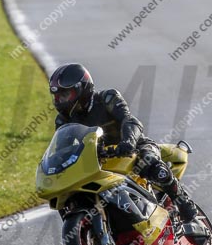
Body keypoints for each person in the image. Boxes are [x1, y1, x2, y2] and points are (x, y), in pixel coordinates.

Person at [49, 63, 198, 222]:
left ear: (82, 88)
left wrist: (128, 141)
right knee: (67, 191)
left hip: (134, 148)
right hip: (100, 162)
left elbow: (130, 120)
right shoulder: (63, 120)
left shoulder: (107, 98)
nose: (60, 100)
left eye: (64, 95)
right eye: (57, 96)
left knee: (151, 164)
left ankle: (183, 202)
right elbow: (62, 149)